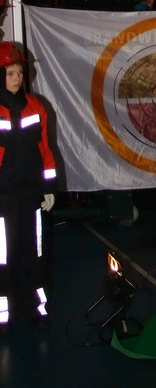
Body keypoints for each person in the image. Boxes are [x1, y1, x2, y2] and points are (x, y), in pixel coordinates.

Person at [0, 42, 56, 332]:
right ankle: (3, 312)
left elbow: (45, 148)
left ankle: (36, 307)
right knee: (3, 256)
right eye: (10, 73)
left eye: (20, 72)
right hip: (3, 197)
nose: (17, 78)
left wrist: (48, 187)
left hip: (30, 194)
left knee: (33, 252)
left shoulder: (36, 106)